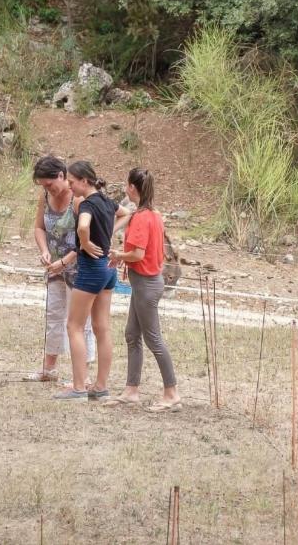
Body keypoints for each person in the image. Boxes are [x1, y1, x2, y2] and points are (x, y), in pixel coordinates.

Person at [53, 161, 131, 402]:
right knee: (102, 327)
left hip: (91, 268)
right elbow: (127, 214)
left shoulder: (86, 203)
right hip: (108, 269)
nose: (70, 186)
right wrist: (109, 233)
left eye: (73, 182)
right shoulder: (108, 202)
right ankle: (100, 386)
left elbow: (83, 225)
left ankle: (78, 387)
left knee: (74, 326)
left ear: (85, 181)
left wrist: (84, 242)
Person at [106, 168, 181, 412]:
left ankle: (171, 394)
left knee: (153, 339)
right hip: (145, 283)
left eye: (127, 184)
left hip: (146, 285)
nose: (126, 188)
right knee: (132, 334)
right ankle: (131, 390)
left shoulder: (141, 218)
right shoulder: (154, 215)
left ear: (132, 188)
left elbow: (137, 254)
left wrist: (118, 255)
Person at [24, 156, 96, 383]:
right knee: (53, 314)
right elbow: (39, 227)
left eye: (50, 184)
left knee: (79, 320)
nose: (48, 189)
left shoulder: (77, 199)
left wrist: (64, 261)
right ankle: (49, 368)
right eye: (43, 186)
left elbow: (86, 240)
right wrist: (44, 250)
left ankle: (82, 374)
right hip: (54, 267)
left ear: (62, 176)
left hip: (79, 268)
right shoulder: (45, 196)